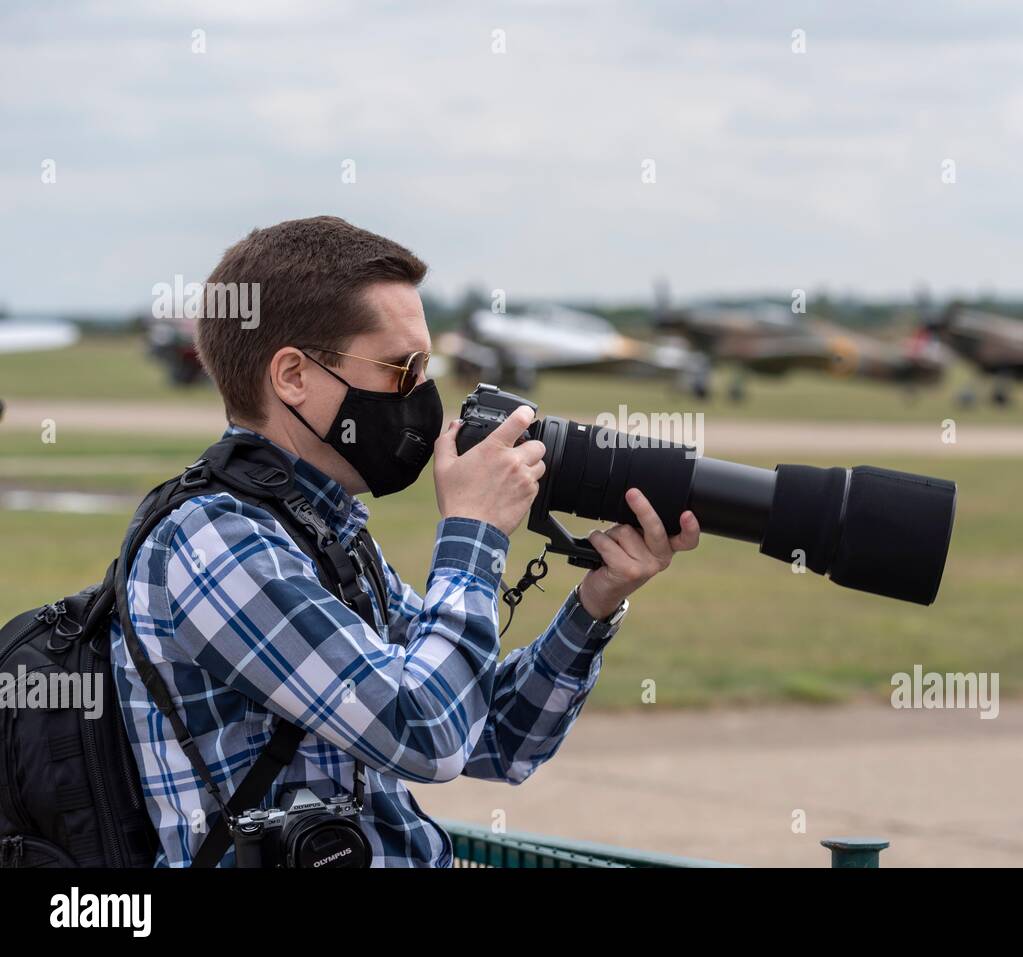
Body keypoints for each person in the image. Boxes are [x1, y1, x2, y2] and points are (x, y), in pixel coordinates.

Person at [110, 215, 699, 866]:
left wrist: (595, 603)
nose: (423, 393)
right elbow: (429, 735)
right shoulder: (215, 542)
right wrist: (473, 533)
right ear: (293, 376)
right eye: (400, 366)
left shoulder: (319, 529)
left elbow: (495, 735)